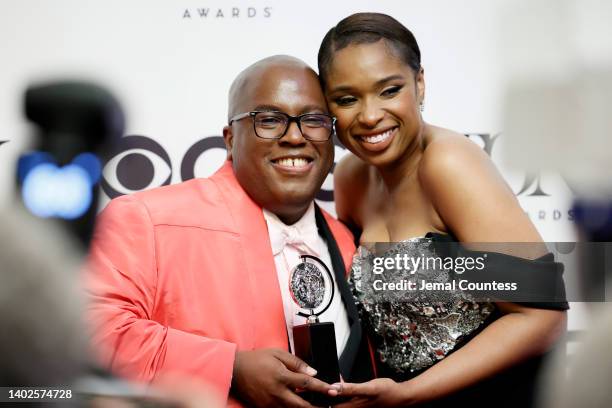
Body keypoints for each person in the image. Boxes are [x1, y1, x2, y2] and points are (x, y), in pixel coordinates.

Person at [84, 55, 373, 408]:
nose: (295, 136)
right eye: (269, 120)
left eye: (312, 120)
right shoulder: (145, 219)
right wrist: (230, 368)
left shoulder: (347, 240)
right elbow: (89, 335)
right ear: (230, 138)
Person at [316, 12, 568, 407]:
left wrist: (409, 394)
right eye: (347, 99)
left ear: (419, 83)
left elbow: (541, 316)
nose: (368, 116)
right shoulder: (351, 176)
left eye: (388, 90)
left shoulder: (448, 163)